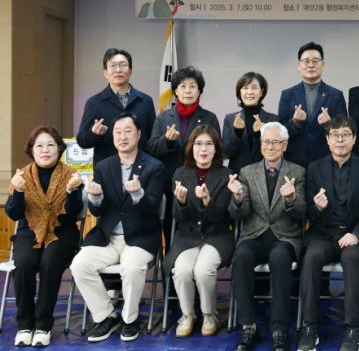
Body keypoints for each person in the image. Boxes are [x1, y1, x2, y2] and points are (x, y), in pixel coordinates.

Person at [70, 112, 165, 343]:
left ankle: (130, 320)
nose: (123, 137)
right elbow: (99, 212)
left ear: (139, 134)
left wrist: (138, 194)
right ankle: (106, 316)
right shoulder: (104, 166)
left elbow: (153, 207)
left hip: (140, 238)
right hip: (108, 238)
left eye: (128, 131)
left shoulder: (155, 167)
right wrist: (95, 198)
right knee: (79, 265)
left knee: (131, 267)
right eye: (118, 132)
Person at [297, 115, 359, 351]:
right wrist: (318, 208)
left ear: (354, 139)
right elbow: (309, 213)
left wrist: (357, 235)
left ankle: (353, 330)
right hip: (323, 233)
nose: (340, 140)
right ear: (327, 139)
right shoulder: (315, 168)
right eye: (335, 135)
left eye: (345, 135)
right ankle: (309, 327)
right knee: (311, 256)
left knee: (351, 258)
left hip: (353, 235)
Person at [228, 122, 306, 351]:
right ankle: (248, 326)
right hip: (255, 234)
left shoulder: (297, 172)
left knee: (280, 259)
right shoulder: (247, 172)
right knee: (241, 257)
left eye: (275, 142)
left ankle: (279, 329)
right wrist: (238, 198)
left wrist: (291, 199)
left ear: (285, 145)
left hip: (284, 236)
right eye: (265, 142)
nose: (269, 147)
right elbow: (239, 213)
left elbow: (302, 212)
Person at [6, 127, 84, 347]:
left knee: (50, 262)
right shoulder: (22, 176)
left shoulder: (71, 175)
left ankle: (43, 325)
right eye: (39, 146)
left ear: (59, 148)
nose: (45, 150)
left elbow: (74, 213)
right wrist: (18, 192)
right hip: (28, 232)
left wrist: (73, 192)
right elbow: (14, 213)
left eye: (50, 145)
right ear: (32, 150)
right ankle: (25, 325)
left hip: (62, 232)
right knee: (24, 263)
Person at [163, 124, 234, 338]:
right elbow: (178, 217)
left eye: (209, 144)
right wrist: (182, 202)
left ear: (216, 148)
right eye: (198, 144)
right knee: (182, 270)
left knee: (203, 270)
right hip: (188, 236)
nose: (203, 149)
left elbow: (226, 217)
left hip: (217, 236)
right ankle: (187, 315)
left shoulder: (226, 174)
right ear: (191, 148)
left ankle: (210, 314)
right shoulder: (180, 173)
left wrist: (207, 201)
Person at [147, 66, 220, 247]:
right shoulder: (163, 118)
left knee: (200, 230)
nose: (187, 91)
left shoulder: (209, 118)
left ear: (199, 91)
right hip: (170, 185)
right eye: (183, 86)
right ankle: (171, 263)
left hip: (201, 185)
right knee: (170, 232)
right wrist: (167, 141)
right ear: (176, 91)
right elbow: (151, 149)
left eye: (192, 86)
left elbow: (217, 151)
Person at [77, 48, 156, 164]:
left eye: (123, 65)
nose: (118, 70)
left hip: (141, 167)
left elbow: (153, 140)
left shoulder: (145, 101)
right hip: (107, 169)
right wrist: (94, 134)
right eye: (113, 66)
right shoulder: (94, 103)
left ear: (130, 71)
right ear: (105, 73)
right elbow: (82, 141)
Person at [278, 42, 348, 167]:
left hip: (326, 162)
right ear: (299, 65)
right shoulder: (287, 95)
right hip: (294, 163)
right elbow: (280, 133)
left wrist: (329, 124)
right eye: (306, 61)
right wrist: (295, 122)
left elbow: (345, 131)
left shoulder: (336, 95)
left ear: (323, 64)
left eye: (315, 61)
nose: (311, 65)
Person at [223, 71, 278, 174]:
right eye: (245, 88)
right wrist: (237, 133)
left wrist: (259, 135)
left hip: (265, 176)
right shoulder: (230, 119)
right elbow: (226, 154)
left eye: (254, 88)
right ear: (240, 92)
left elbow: (276, 153)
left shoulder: (273, 120)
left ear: (261, 92)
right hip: (237, 176)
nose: (250, 92)